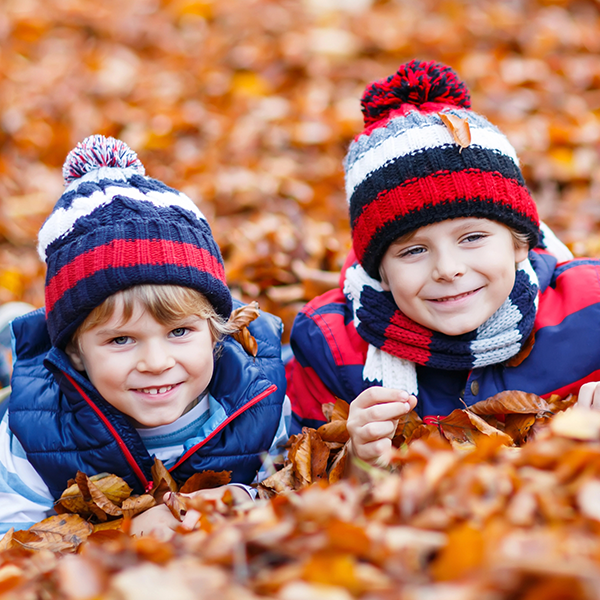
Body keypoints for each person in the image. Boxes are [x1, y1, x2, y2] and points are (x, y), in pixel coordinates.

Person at [286, 59, 600, 465]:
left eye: (472, 238)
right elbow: (289, 477)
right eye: (414, 250)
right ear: (379, 270)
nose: (447, 269)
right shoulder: (333, 348)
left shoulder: (589, 309)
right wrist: (354, 460)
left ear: (520, 243)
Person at [0, 135, 289, 537]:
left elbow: (292, 487)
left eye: (179, 331)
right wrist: (119, 536)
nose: (156, 362)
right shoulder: (35, 431)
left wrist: (241, 498)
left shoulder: (260, 399)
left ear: (214, 331)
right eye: (121, 340)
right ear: (75, 351)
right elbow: (12, 542)